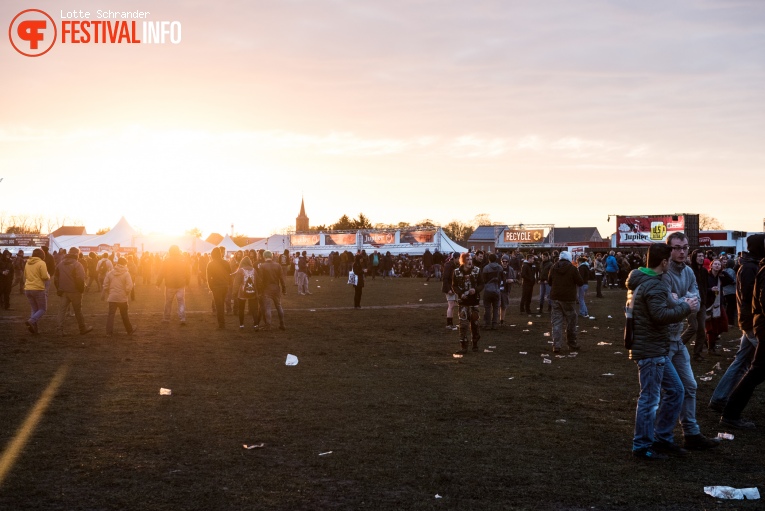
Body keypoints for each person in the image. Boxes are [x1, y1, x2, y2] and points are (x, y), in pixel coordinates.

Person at [627, 243, 698, 460]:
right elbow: (659, 316)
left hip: (654, 347)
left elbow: (654, 311)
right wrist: (686, 307)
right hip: (651, 349)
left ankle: (663, 438)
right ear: (664, 262)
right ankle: (642, 446)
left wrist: (676, 302)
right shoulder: (654, 284)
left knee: (676, 390)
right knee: (649, 399)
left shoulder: (641, 279)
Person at [663, 232, 721, 449]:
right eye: (677, 247)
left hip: (676, 338)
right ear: (669, 249)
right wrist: (682, 303)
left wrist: (682, 302)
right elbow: (665, 303)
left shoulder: (688, 272)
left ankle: (691, 433)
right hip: (661, 340)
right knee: (664, 392)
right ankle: (659, 437)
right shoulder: (663, 271)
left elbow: (694, 298)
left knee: (690, 385)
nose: (682, 251)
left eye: (685, 247)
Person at [710, 234, 765, 412]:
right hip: (752, 321)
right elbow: (751, 297)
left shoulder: (751, 265)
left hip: (750, 319)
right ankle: (726, 404)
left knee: (741, 361)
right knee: (754, 365)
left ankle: (719, 398)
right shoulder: (750, 267)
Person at [719, 250, 765, 430]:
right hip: (759, 325)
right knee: (754, 371)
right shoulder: (756, 270)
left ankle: (728, 410)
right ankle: (729, 413)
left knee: (752, 369)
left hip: (755, 323)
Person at [548, 251, 583, 353]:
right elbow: (580, 282)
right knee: (571, 322)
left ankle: (556, 345)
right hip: (569, 299)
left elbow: (549, 281)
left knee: (556, 322)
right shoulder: (572, 269)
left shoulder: (553, 268)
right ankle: (572, 344)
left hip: (555, 298)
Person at [53, 247, 94, 336]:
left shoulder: (60, 264)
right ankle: (82, 328)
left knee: (62, 311)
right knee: (78, 311)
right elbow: (80, 279)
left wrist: (58, 289)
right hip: (75, 291)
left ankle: (59, 330)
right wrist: (81, 290)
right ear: (76, 254)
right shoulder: (77, 264)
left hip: (63, 291)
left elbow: (56, 279)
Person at [452, 252, 483, 354]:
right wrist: (461, 294)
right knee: (463, 325)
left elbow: (481, 284)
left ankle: (475, 345)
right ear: (463, 261)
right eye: (467, 259)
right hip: (463, 302)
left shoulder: (477, 271)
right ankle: (464, 346)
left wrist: (476, 290)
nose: (470, 261)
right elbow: (454, 286)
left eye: (470, 259)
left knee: (475, 323)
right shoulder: (456, 272)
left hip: (474, 301)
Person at [704, 258, 735, 355]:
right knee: (711, 327)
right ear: (711, 265)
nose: (717, 266)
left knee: (723, 324)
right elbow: (702, 289)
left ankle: (708, 340)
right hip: (709, 304)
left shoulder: (721, 277)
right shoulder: (707, 276)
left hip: (719, 303)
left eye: (719, 264)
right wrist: (710, 290)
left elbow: (731, 280)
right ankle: (710, 347)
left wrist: (723, 273)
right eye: (715, 264)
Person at [156, 245, 190, 325]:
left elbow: (162, 272)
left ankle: (166, 318)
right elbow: (188, 272)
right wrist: (187, 282)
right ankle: (182, 318)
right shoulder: (183, 260)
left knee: (168, 302)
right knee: (181, 301)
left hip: (170, 284)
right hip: (181, 284)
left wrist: (158, 282)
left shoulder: (167, 260)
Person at [102, 257, 136, 336]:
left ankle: (108, 332)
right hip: (122, 297)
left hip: (112, 297)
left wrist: (109, 292)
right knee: (124, 314)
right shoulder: (126, 273)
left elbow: (105, 285)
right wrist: (126, 293)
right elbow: (129, 286)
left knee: (111, 315)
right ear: (125, 264)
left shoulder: (110, 273)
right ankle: (129, 330)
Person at [686, 249, 709, 361]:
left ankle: (697, 353)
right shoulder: (689, 270)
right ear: (694, 258)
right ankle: (677, 346)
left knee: (701, 329)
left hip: (702, 303)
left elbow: (705, 286)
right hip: (692, 302)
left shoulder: (704, 271)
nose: (701, 258)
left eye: (702, 256)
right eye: (699, 256)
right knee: (693, 327)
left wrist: (705, 299)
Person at [23, 248, 50, 334]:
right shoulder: (41, 263)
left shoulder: (27, 263)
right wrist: (48, 276)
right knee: (42, 309)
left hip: (28, 288)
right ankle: (31, 321)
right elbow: (44, 276)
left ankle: (34, 329)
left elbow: (25, 275)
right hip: (38, 288)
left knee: (34, 309)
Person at [258, 250, 287, 330]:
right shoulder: (278, 265)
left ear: (264, 256)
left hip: (266, 289)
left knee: (267, 308)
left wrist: (260, 291)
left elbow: (260, 280)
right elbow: (282, 279)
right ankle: (282, 324)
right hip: (276, 288)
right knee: (279, 306)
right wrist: (284, 289)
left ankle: (268, 325)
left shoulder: (262, 266)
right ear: (271, 256)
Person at [231, 256, 259, 329]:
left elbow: (236, 283)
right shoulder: (254, 270)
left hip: (242, 292)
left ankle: (241, 325)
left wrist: (234, 293)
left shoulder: (240, 270)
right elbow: (257, 281)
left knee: (241, 309)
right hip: (252, 291)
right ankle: (256, 324)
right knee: (254, 309)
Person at [207, 248, 231, 329]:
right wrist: (228, 283)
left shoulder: (210, 264)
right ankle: (222, 323)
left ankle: (221, 324)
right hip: (224, 286)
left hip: (216, 287)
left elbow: (208, 278)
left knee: (219, 306)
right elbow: (229, 274)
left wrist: (211, 287)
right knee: (221, 304)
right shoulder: (226, 262)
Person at [481, 253, 503, 329]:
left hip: (488, 290)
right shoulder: (500, 267)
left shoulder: (486, 268)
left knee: (487, 307)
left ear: (489, 259)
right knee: (496, 307)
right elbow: (502, 278)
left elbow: (484, 280)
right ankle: (494, 324)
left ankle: (487, 324)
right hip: (496, 289)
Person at [442, 252, 459, 330]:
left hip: (452, 287)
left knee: (452, 306)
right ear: (455, 258)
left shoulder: (452, 265)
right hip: (449, 288)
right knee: (451, 305)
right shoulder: (449, 265)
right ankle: (449, 324)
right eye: (458, 258)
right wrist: (448, 289)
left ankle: (450, 323)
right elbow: (445, 278)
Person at [499, 254, 517, 326]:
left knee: (504, 306)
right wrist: (505, 281)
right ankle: (495, 320)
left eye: (506, 261)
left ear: (508, 262)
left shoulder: (511, 269)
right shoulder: (498, 269)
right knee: (496, 306)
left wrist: (512, 280)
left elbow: (515, 279)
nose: (505, 263)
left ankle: (502, 320)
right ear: (501, 261)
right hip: (498, 289)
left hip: (506, 290)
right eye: (503, 261)